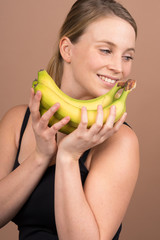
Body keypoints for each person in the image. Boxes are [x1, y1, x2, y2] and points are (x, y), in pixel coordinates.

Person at [0, 0, 140, 239]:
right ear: (67, 49)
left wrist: (68, 157)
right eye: (106, 50)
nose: (119, 67)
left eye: (127, 56)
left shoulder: (119, 140)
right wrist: (41, 156)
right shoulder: (17, 121)